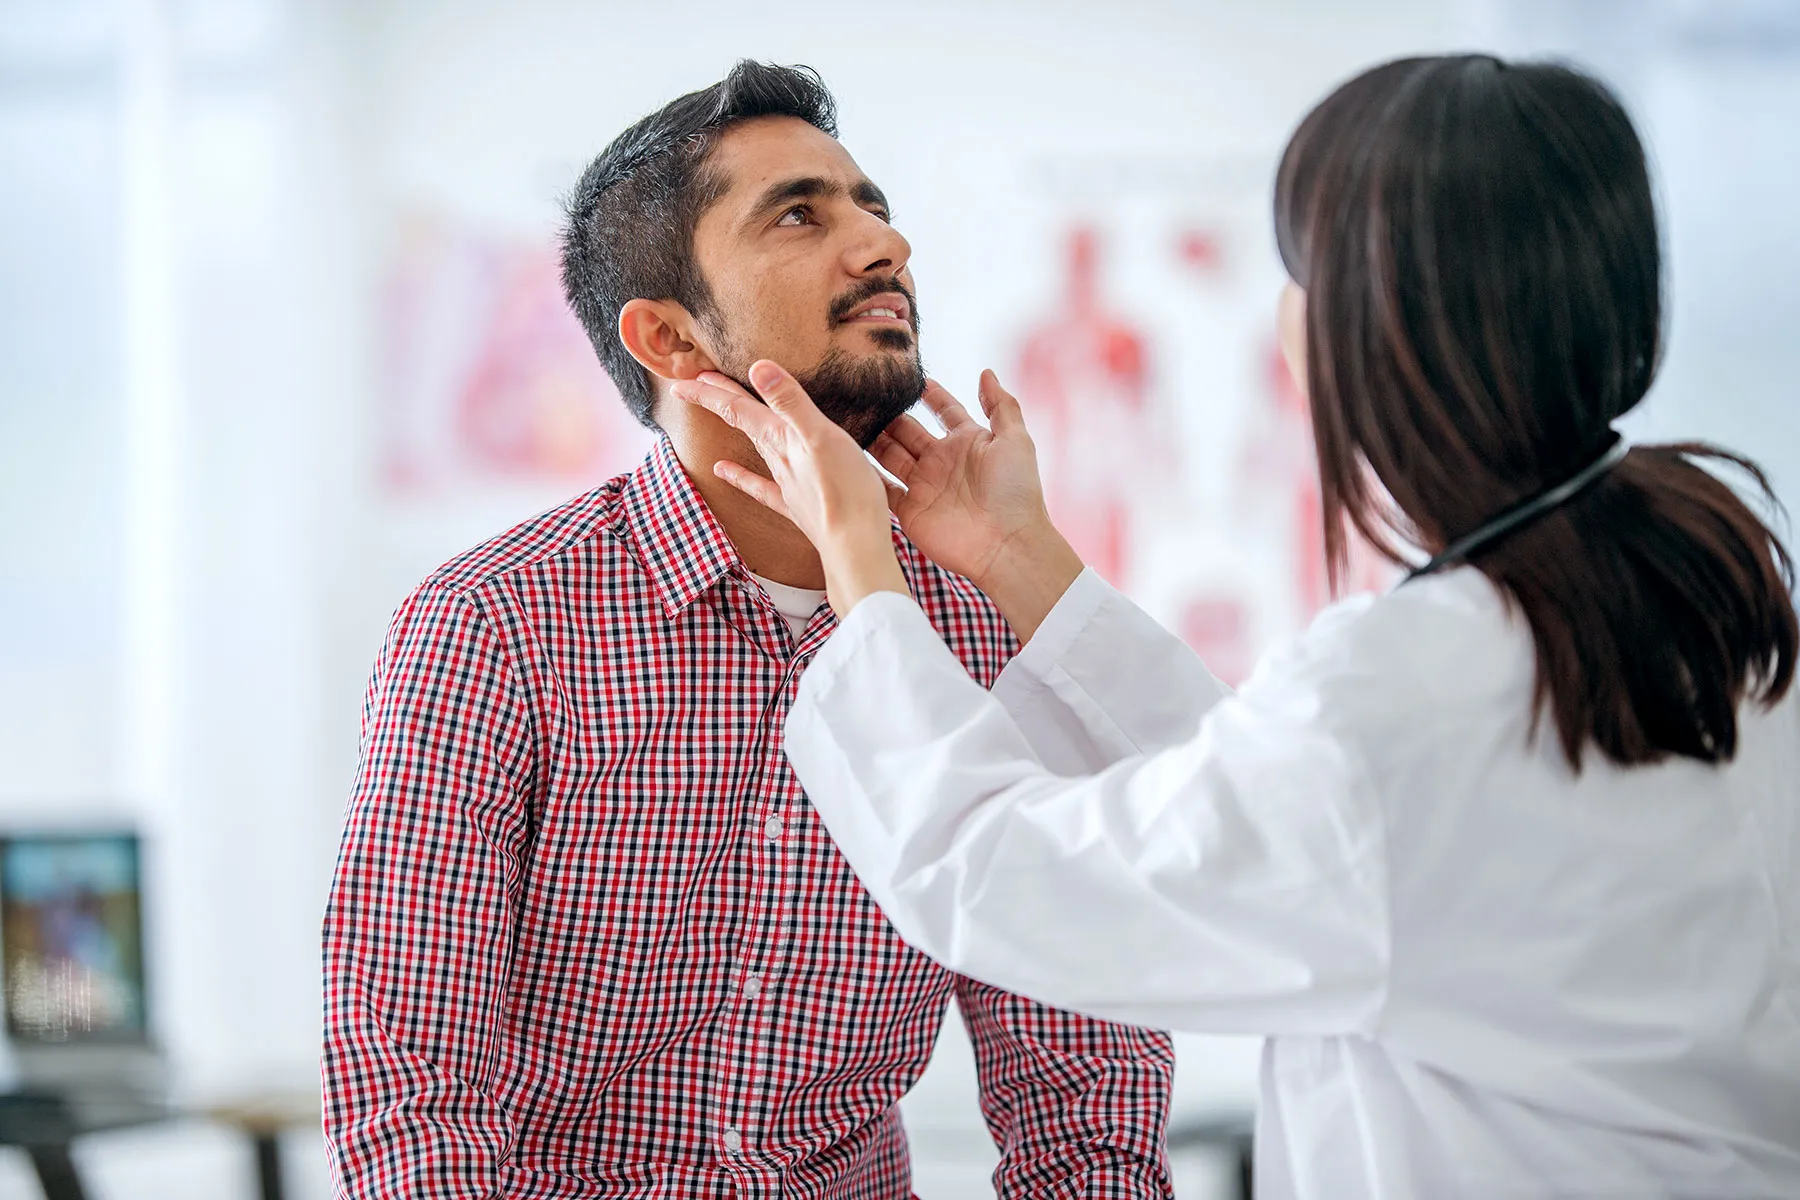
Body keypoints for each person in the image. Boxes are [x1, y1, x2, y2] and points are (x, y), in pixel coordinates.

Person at [678, 55, 1800, 1199]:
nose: (883, 247)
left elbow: (999, 874)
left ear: (1376, 328)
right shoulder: (1708, 593)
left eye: (1299, 269)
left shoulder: (1414, 692)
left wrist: (863, 567)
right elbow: (1277, 808)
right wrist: (1019, 561)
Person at [321, 62, 1178, 1199]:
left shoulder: (984, 624)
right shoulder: (495, 625)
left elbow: (1082, 1078)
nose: (885, 246)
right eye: (799, 216)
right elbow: (405, 1081)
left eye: (873, 205)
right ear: (671, 341)